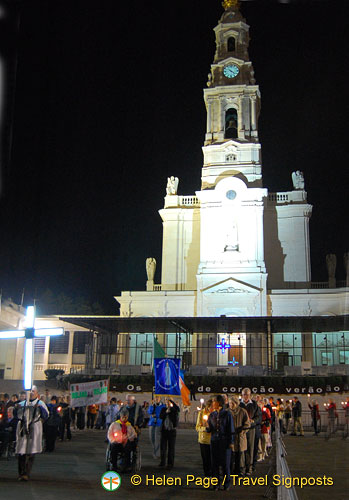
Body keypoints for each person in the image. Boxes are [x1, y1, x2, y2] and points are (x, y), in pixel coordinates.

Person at [15, 386, 49, 481]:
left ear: (37, 393)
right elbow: (15, 414)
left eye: (33, 391)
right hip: (23, 427)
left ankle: (26, 473)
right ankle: (21, 472)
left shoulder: (40, 403)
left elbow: (46, 415)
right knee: (21, 451)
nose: (31, 393)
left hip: (34, 427)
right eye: (30, 391)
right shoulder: (22, 403)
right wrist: (16, 408)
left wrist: (40, 409)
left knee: (31, 451)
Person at [207, 395, 234, 491]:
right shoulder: (212, 415)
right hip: (214, 441)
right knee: (214, 463)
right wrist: (206, 426)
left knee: (225, 464)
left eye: (214, 401)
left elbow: (230, 429)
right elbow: (210, 429)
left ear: (219, 403)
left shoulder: (227, 414)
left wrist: (231, 442)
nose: (212, 403)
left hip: (224, 441)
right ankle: (216, 484)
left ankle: (226, 483)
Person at [108, 407, 137, 473]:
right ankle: (114, 465)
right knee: (113, 448)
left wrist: (129, 438)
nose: (124, 419)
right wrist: (113, 440)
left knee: (128, 449)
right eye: (123, 417)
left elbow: (134, 434)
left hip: (127, 443)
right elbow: (109, 434)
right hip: (117, 442)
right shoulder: (114, 424)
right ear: (120, 416)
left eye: (126, 417)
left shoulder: (129, 426)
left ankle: (126, 466)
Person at [239, 388, 261, 475]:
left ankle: (249, 467)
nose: (245, 396)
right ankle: (242, 468)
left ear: (250, 395)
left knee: (250, 448)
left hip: (251, 429)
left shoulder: (254, 405)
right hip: (241, 429)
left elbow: (258, 417)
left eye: (247, 394)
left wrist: (253, 421)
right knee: (241, 449)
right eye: (244, 394)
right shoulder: (239, 404)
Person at [228, 395, 249, 476]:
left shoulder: (243, 411)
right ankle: (230, 471)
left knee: (239, 456)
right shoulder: (227, 412)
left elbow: (247, 424)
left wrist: (242, 430)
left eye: (232, 403)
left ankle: (239, 471)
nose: (231, 405)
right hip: (230, 438)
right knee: (231, 456)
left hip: (240, 438)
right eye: (230, 403)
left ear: (236, 403)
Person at [159, 398, 180, 469]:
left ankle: (170, 463)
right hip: (164, 430)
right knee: (163, 448)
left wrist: (172, 402)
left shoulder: (174, 410)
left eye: (168, 402)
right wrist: (166, 412)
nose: (167, 403)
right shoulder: (163, 409)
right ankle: (162, 462)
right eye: (166, 401)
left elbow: (178, 409)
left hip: (172, 431)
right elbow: (161, 416)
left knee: (171, 448)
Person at [196, 398, 212, 477]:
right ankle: (207, 475)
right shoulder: (202, 413)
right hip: (204, 440)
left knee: (212, 459)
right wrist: (205, 428)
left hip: (213, 440)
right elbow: (197, 427)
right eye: (211, 407)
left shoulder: (215, 413)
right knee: (205, 459)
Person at [148, 395, 165, 459]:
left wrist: (156, 415)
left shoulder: (162, 406)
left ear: (160, 399)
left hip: (158, 423)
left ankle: (157, 453)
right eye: (155, 398)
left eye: (158, 398)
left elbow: (162, 414)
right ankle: (155, 451)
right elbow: (149, 412)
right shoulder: (153, 405)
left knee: (157, 439)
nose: (156, 399)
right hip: (152, 423)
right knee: (152, 438)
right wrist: (152, 406)